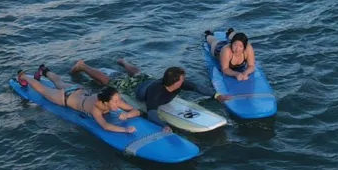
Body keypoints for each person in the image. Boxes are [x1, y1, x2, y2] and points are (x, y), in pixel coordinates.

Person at [70, 59, 230, 128]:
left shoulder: (179, 84)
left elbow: (197, 87)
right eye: (182, 79)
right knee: (109, 81)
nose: (185, 80)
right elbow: (152, 113)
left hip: (148, 80)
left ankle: (123, 62)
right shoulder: (156, 93)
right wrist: (164, 126)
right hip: (135, 88)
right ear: (174, 82)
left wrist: (216, 95)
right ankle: (83, 66)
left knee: (139, 73)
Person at [16, 65, 141, 134]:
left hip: (78, 90)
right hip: (65, 98)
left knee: (59, 82)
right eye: (114, 101)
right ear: (105, 102)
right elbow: (105, 126)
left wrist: (128, 114)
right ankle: (23, 76)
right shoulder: (96, 107)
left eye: (117, 100)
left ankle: (44, 71)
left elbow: (137, 110)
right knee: (43, 90)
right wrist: (125, 129)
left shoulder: (115, 100)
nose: (117, 103)